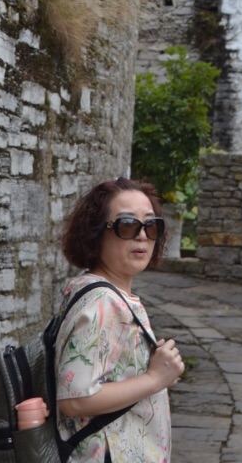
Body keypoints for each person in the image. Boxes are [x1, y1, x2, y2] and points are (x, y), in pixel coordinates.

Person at [55, 176, 185, 462]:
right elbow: (75, 399)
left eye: (151, 226)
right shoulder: (104, 302)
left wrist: (152, 371)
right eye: (127, 225)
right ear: (95, 233)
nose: (142, 236)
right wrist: (154, 378)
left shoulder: (102, 292)